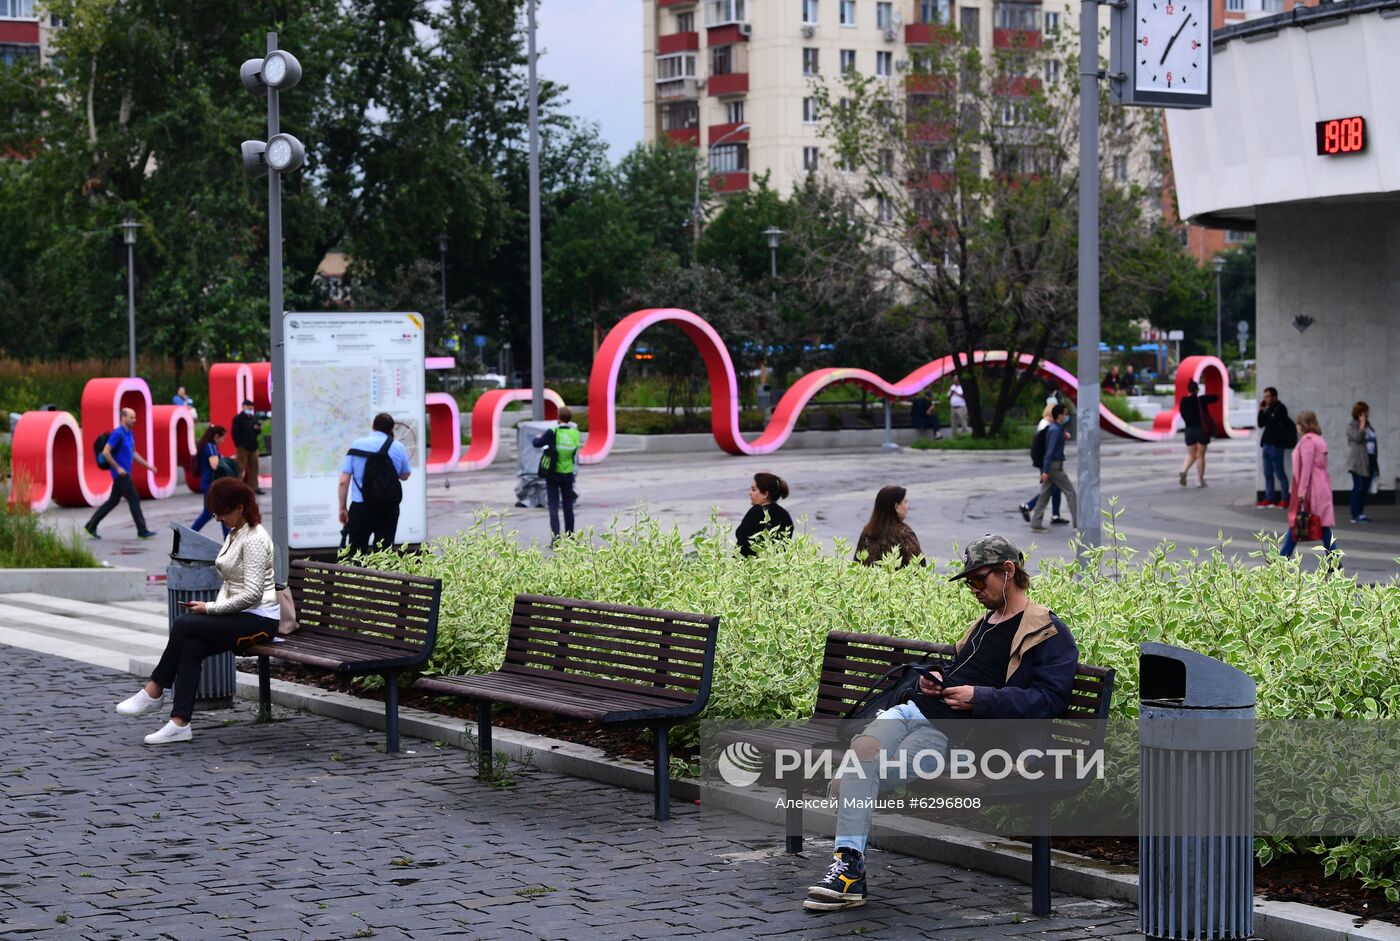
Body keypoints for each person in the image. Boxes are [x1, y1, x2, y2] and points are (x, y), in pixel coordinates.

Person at [803, 534, 1078, 912]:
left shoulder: (1047, 631)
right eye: (969, 583)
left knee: (856, 771)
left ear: (1008, 571)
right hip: (910, 711)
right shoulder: (983, 623)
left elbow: (1050, 700)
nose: (973, 590)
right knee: (863, 752)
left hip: (949, 736)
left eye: (979, 580)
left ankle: (850, 869)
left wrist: (978, 698)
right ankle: (848, 868)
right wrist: (933, 680)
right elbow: (962, 671)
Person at [114, 478, 277, 744]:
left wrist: (210, 608)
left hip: (260, 621)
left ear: (239, 507)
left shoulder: (255, 538)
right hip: (240, 617)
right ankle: (179, 723)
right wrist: (214, 610)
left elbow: (253, 594)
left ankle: (154, 690)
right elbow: (233, 585)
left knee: (183, 625)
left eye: (221, 512)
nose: (218, 519)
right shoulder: (237, 533)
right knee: (191, 646)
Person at [339, 412, 412, 553]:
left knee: (356, 554)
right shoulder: (398, 447)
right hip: (388, 508)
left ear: (373, 426)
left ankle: (357, 575)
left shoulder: (357, 445)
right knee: (384, 554)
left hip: (360, 508)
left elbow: (343, 481)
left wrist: (342, 508)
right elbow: (405, 475)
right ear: (391, 430)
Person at [83, 407, 158, 540]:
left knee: (112, 502)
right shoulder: (118, 434)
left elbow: (133, 453)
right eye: (131, 417)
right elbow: (106, 452)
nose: (134, 420)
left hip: (123, 475)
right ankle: (142, 530)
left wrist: (149, 466)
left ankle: (90, 526)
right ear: (123, 418)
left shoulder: (129, 433)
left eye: (134, 417)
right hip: (121, 475)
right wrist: (117, 468)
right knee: (134, 499)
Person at [1280, 410, 1338, 558]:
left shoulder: (1308, 441)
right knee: (1323, 525)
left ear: (1303, 425)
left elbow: (1306, 468)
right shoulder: (1319, 439)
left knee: (1296, 523)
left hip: (1311, 488)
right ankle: (1334, 560)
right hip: (1322, 485)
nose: (1297, 427)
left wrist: (1301, 491)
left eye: (1298, 424)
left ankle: (1281, 559)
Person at [532, 407, 582, 540]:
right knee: (568, 505)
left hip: (553, 473)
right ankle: (570, 537)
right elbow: (574, 452)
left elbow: (537, 444)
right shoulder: (575, 433)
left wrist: (537, 438)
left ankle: (556, 538)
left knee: (553, 506)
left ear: (558, 418)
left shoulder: (553, 431)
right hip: (568, 472)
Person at [1018, 403, 1068, 526]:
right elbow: (1047, 446)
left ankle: (1055, 515)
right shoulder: (1046, 425)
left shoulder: (1050, 425)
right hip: (1047, 462)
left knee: (1054, 488)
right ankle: (1028, 506)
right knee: (1050, 489)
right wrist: (1045, 468)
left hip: (1048, 462)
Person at [1029, 404, 1076, 532]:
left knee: (1044, 495)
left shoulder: (1056, 428)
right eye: (1065, 414)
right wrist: (1045, 471)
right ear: (1060, 415)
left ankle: (1036, 523)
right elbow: (1049, 451)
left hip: (1051, 466)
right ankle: (1079, 524)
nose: (1067, 416)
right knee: (1071, 493)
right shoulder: (1054, 430)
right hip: (1055, 467)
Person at [854, 485, 923, 568]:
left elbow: (858, 563)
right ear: (896, 507)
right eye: (905, 502)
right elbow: (919, 565)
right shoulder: (904, 534)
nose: (908, 507)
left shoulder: (867, 533)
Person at [736, 472, 794, 556]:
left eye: (754, 489)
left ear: (765, 494)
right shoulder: (784, 514)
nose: (750, 493)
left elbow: (743, 542)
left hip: (752, 565)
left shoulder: (756, 512)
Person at [1256, 387, 1294, 508]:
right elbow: (1261, 424)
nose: (1265, 399)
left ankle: (1285, 499)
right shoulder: (1268, 409)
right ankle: (1269, 498)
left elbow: (1271, 423)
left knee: (1279, 473)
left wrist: (1268, 413)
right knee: (1267, 473)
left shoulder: (1280, 408)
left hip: (1276, 445)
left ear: (1274, 397)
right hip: (1266, 445)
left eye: (1267, 397)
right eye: (1264, 397)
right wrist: (1261, 410)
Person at [1177, 380, 1219, 488]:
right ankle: (1200, 480)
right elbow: (1216, 397)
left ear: (1188, 390)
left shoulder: (1183, 401)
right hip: (1201, 430)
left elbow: (1182, 414)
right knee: (1200, 455)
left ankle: (1183, 470)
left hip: (1188, 430)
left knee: (1191, 454)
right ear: (1197, 390)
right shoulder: (1201, 400)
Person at [190, 424, 229, 535]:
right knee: (214, 512)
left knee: (219, 512)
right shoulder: (210, 447)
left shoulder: (208, 446)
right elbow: (214, 465)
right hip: (212, 485)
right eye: (223, 438)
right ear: (216, 436)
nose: (223, 440)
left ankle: (189, 535)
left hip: (210, 484)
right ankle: (188, 535)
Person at [1345, 401, 1379, 524]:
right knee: (1358, 486)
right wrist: (1362, 425)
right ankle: (1355, 514)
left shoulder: (1368, 425)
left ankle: (1360, 512)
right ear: (1360, 413)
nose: (1368, 413)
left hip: (1369, 458)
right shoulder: (1352, 425)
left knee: (1364, 487)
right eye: (1366, 411)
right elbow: (1358, 438)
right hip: (1359, 460)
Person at [231, 399, 264, 495]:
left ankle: (254, 487)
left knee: (254, 468)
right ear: (243, 407)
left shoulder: (252, 418)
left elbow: (256, 432)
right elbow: (234, 433)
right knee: (240, 467)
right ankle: (237, 487)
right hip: (242, 447)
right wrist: (238, 445)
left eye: (251, 408)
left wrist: (257, 429)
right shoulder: (238, 419)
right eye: (248, 407)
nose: (250, 409)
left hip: (253, 446)